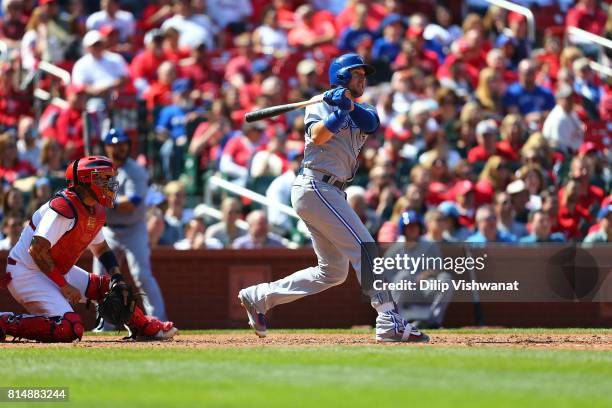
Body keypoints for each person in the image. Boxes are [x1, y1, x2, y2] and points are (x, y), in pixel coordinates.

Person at [238, 53, 429, 343]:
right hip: (316, 185)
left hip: (330, 191)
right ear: (341, 76)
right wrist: (337, 111)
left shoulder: (360, 108)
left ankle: (260, 296)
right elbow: (317, 136)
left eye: (364, 75)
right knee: (366, 248)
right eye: (357, 75)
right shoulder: (320, 103)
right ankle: (388, 317)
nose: (363, 79)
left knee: (333, 272)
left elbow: (371, 123)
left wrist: (347, 105)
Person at [0, 156, 176, 342]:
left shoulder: (94, 209)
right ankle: (3, 321)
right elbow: (36, 250)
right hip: (27, 272)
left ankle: (143, 327)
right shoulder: (64, 207)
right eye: (103, 178)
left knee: (111, 287)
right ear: (85, 181)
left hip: (54, 270)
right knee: (69, 328)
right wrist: (64, 286)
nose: (110, 184)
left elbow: (101, 248)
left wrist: (117, 277)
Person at [93, 129, 169, 326]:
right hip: (108, 229)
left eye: (123, 144)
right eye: (115, 144)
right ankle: (105, 323)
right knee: (102, 279)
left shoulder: (136, 170)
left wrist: (104, 198)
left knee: (142, 275)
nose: (120, 148)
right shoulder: (99, 171)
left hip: (133, 228)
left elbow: (132, 203)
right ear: (107, 147)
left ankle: (158, 320)